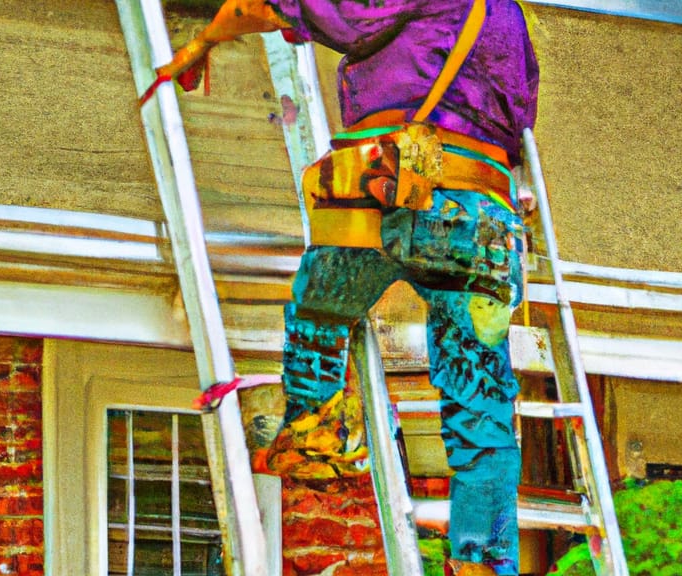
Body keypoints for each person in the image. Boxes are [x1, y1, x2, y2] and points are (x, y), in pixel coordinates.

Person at [148, 1, 538, 574]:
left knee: (321, 310)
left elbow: (346, 14)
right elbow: (520, 119)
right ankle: (483, 560)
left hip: (380, 196)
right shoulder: (510, 19)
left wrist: (211, 33)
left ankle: (318, 430)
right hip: (482, 219)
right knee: (480, 400)